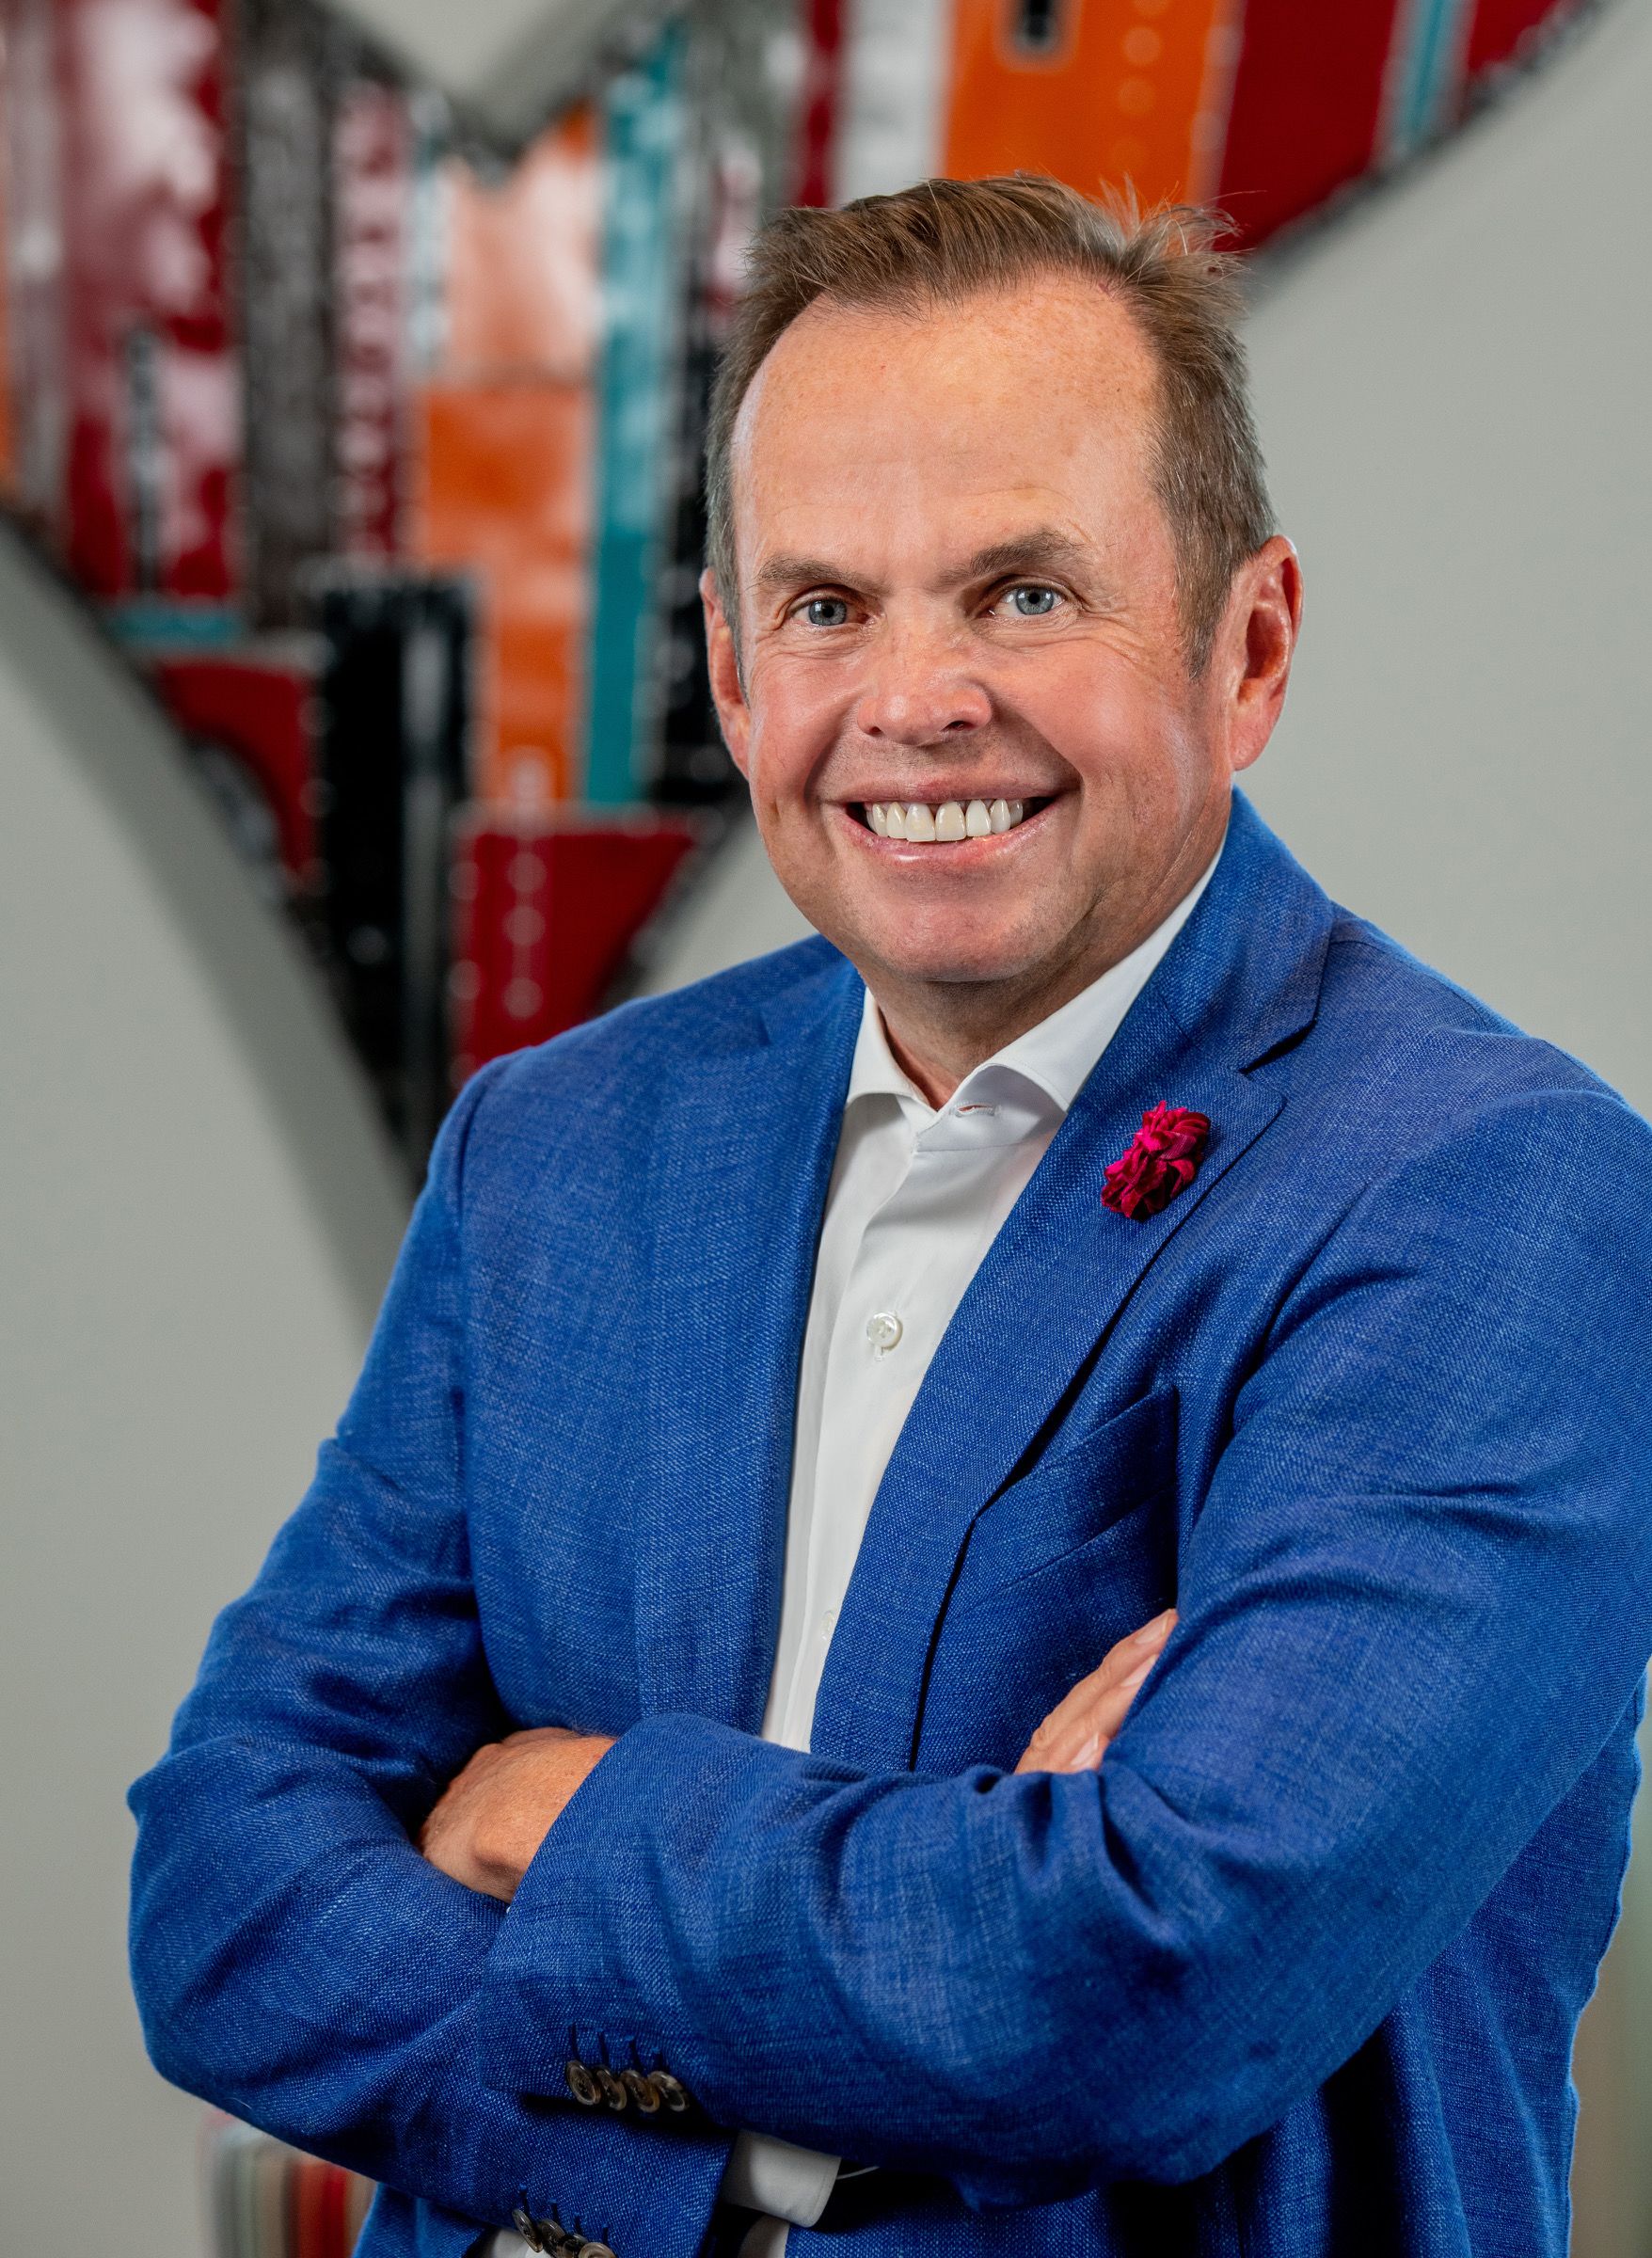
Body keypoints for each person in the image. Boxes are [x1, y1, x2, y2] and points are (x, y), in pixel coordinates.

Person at [128, 177, 1652, 2258]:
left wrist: (544, 1813)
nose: (916, 700)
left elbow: (1136, 1992)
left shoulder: (1493, 1202)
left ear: (1248, 645)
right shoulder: (559, 1152)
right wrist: (806, 2075)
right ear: (734, 674)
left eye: (1022, 594)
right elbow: (223, 1895)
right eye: (828, 606)